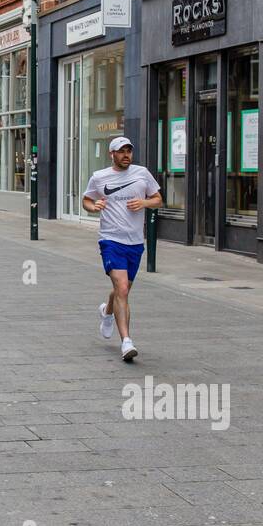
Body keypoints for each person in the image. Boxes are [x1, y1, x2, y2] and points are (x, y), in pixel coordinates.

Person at [81, 136, 162, 362]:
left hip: (135, 242)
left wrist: (144, 203)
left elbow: (157, 199)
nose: (126, 155)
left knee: (122, 290)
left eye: (129, 150)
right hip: (110, 240)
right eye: (121, 151)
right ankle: (127, 341)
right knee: (123, 288)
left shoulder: (142, 173)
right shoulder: (99, 177)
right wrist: (93, 206)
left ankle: (107, 311)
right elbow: (86, 200)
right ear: (112, 154)